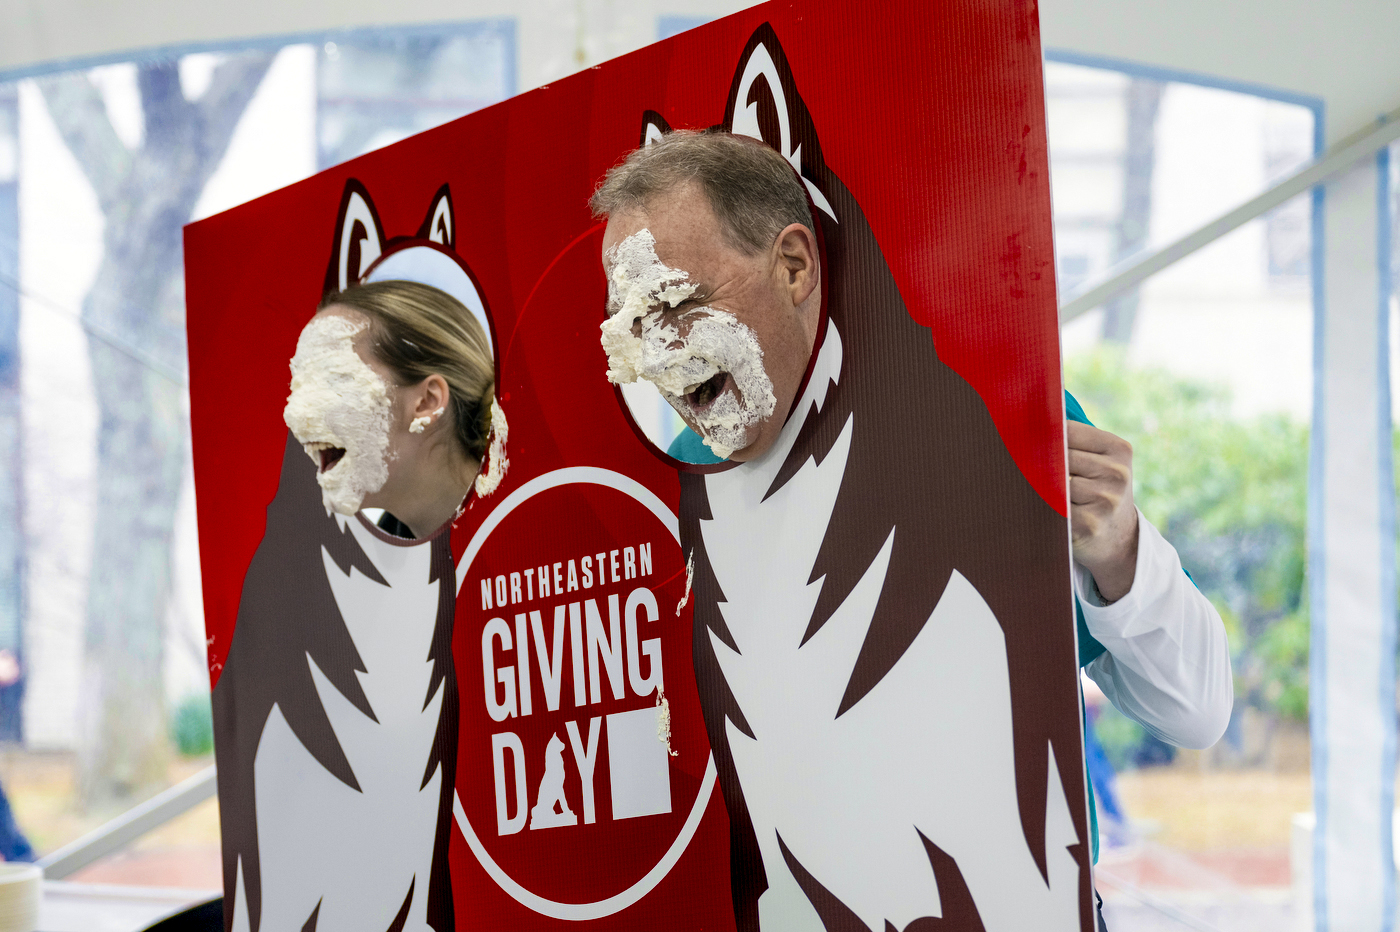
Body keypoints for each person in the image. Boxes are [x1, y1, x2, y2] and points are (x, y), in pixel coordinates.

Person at [590, 130, 1231, 930]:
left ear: (793, 266)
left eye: (680, 302)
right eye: (632, 324)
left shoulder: (975, 421)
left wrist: (1121, 553)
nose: (658, 353)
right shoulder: (667, 491)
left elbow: (1197, 711)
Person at [283, 279, 497, 538]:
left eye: (335, 379)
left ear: (427, 401)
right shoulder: (378, 571)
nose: (293, 415)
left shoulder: (537, 526)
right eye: (300, 384)